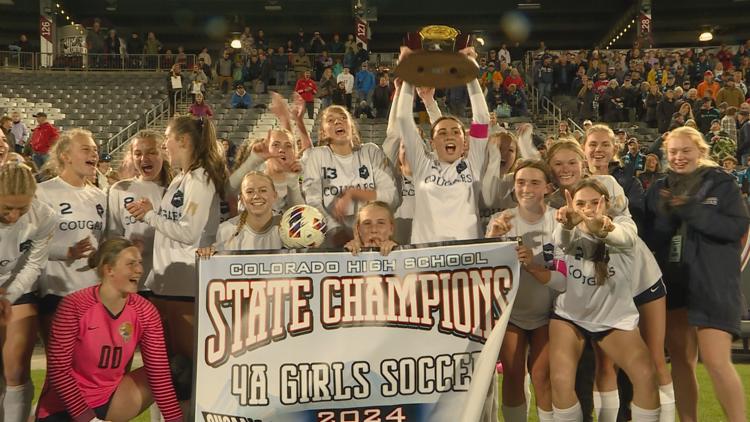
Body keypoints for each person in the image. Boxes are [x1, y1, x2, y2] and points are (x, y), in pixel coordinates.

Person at [643, 126, 748, 422]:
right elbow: (651, 238)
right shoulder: (659, 187)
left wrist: (690, 210)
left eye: (685, 151)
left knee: (716, 361)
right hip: (675, 283)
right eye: (673, 152)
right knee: (680, 361)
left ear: (701, 151)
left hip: (713, 283)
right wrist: (666, 216)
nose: (678, 157)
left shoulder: (721, 183)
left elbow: (736, 228)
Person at [124, 116, 225, 403]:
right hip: (167, 284)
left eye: (167, 137)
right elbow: (176, 221)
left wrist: (149, 215)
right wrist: (153, 209)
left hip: (186, 284)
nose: (165, 144)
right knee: (170, 373)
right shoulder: (182, 178)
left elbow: (188, 232)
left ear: (182, 140)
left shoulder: (201, 178)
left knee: (192, 371)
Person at [35, 238, 183, 422]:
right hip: (66, 405)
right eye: (131, 264)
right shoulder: (74, 305)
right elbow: (59, 371)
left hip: (111, 398)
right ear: (109, 269)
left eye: (139, 263)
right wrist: (89, 419)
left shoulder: (146, 311)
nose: (139, 270)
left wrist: (175, 420)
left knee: (179, 368)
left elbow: (158, 372)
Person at [551, 179, 661, 422]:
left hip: (613, 317)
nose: (588, 208)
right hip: (570, 316)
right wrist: (568, 226)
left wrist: (605, 230)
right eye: (580, 203)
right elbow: (562, 241)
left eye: (595, 202)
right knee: (559, 380)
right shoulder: (566, 223)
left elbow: (626, 239)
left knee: (645, 375)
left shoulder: (623, 223)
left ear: (607, 204)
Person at [485, 160, 564, 422]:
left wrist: (533, 263)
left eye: (534, 182)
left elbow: (564, 275)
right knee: (513, 374)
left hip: (549, 312)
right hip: (512, 314)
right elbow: (485, 270)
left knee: (543, 376)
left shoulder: (558, 220)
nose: (526, 188)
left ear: (548, 188)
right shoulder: (502, 220)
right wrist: (493, 240)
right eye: (520, 182)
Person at [395, 46, 490, 243]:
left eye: (456, 132)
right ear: (432, 142)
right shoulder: (422, 165)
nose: (449, 136)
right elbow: (404, 118)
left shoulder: (473, 163)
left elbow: (482, 118)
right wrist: (410, 74)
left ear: (465, 141)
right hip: (427, 258)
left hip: (469, 256)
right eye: (442, 133)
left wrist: (470, 75)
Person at [35, 129, 107, 337]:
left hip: (94, 292)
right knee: (61, 365)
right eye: (86, 150)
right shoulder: (43, 193)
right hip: (57, 292)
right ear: (65, 156)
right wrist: (66, 252)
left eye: (95, 150)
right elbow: (29, 243)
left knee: (90, 363)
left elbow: (103, 242)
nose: (94, 155)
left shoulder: (100, 197)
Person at [0, 164, 56, 422]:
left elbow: (34, 264)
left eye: (21, 209)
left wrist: (7, 296)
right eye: (6, 208)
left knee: (16, 369)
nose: (13, 216)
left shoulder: (44, 216)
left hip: (17, 287)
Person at [302, 105, 397, 247]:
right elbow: (313, 201)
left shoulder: (370, 152)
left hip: (375, 237)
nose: (338, 122)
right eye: (330, 120)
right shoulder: (316, 156)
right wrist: (337, 231)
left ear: (351, 126)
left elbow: (391, 195)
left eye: (343, 118)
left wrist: (354, 193)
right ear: (322, 133)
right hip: (335, 241)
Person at [107, 130, 171, 293]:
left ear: (163, 153)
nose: (144, 159)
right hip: (133, 282)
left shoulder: (175, 189)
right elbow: (112, 235)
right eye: (138, 153)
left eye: (151, 152)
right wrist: (128, 248)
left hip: (170, 280)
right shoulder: (120, 190)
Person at [197, 172, 282, 257]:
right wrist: (207, 253)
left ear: (274, 195)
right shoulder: (227, 230)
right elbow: (219, 266)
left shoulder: (288, 228)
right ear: (241, 199)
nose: (256, 196)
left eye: (263, 190)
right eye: (250, 192)